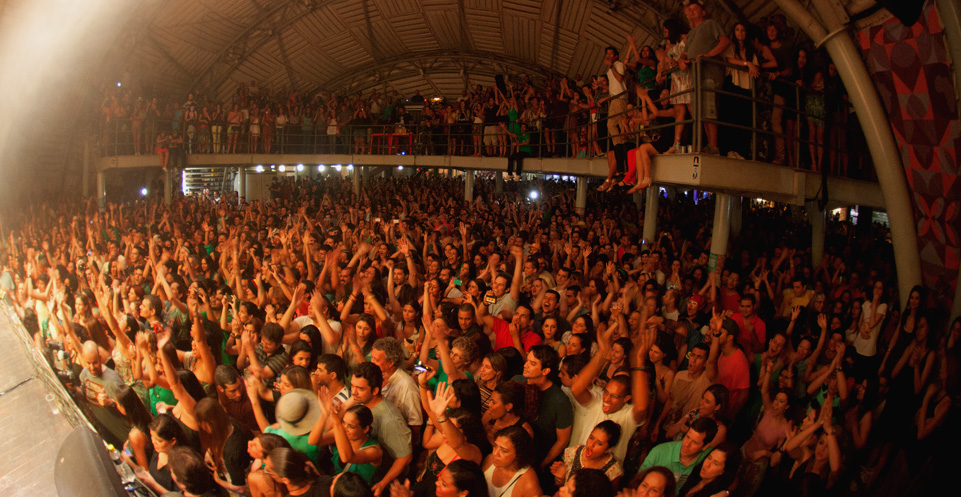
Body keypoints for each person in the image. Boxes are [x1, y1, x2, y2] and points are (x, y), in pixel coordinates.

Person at [680, 0, 729, 155]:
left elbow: (725, 41)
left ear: (703, 12)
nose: (692, 11)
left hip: (709, 73)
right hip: (696, 76)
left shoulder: (710, 24)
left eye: (696, 9)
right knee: (700, 113)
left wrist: (708, 55)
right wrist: (681, 60)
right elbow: (685, 52)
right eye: (690, 9)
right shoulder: (691, 34)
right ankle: (709, 144)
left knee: (709, 110)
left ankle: (714, 146)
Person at [638, 417, 718, 493]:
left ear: (705, 446)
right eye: (687, 437)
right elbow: (639, 481)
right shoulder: (659, 451)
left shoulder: (709, 457)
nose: (687, 444)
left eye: (695, 442)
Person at [194, 397, 254, 494]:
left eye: (204, 426)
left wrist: (217, 480)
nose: (203, 429)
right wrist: (210, 452)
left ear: (213, 423)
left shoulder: (231, 452)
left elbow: (240, 488)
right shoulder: (229, 423)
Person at [551, 420, 624, 487]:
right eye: (591, 438)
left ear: (608, 449)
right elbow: (561, 487)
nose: (591, 445)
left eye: (599, 443)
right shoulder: (574, 453)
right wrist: (560, 478)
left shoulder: (613, 471)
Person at [482, 426, 542, 497]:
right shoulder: (489, 459)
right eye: (495, 446)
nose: (495, 453)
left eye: (504, 450)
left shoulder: (529, 484)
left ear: (519, 454)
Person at [676, 442, 740, 497]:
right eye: (709, 458)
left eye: (715, 463)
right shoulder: (695, 473)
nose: (707, 464)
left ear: (723, 471)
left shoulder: (717, 494)